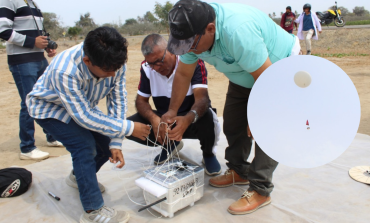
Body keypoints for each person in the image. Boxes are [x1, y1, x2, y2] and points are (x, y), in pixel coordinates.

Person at [162, 0, 301, 215]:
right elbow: (183, 73)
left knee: (267, 129)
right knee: (234, 121)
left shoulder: (237, 31)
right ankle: (239, 170)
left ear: (210, 29)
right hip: (244, 72)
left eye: (190, 45)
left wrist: (259, 116)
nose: (187, 50)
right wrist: (172, 111)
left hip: (276, 68)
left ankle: (261, 189)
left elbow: (268, 79)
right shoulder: (191, 34)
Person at [26, 27, 151, 223]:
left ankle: (78, 177)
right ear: (87, 61)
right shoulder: (65, 70)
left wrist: (116, 142)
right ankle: (93, 210)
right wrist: (129, 128)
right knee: (84, 146)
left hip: (80, 106)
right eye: (108, 71)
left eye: (116, 70)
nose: (112, 75)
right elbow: (83, 116)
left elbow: (117, 101)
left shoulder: (114, 62)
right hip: (49, 109)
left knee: (104, 147)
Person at [126, 34, 221, 175]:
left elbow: (202, 99)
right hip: (166, 122)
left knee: (207, 116)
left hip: (191, 120)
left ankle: (208, 154)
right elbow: (141, 101)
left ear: (171, 50)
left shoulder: (190, 61)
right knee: (130, 125)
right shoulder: (146, 68)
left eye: (159, 61)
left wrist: (188, 119)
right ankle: (169, 145)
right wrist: (154, 119)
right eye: (151, 63)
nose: (156, 68)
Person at [0, 0, 63, 160]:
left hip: (38, 58)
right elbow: (3, 30)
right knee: (29, 101)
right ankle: (27, 148)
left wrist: (47, 44)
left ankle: (52, 136)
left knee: (48, 97)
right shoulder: (9, 1)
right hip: (22, 60)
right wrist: (32, 42)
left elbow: (38, 30)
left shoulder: (32, 3)